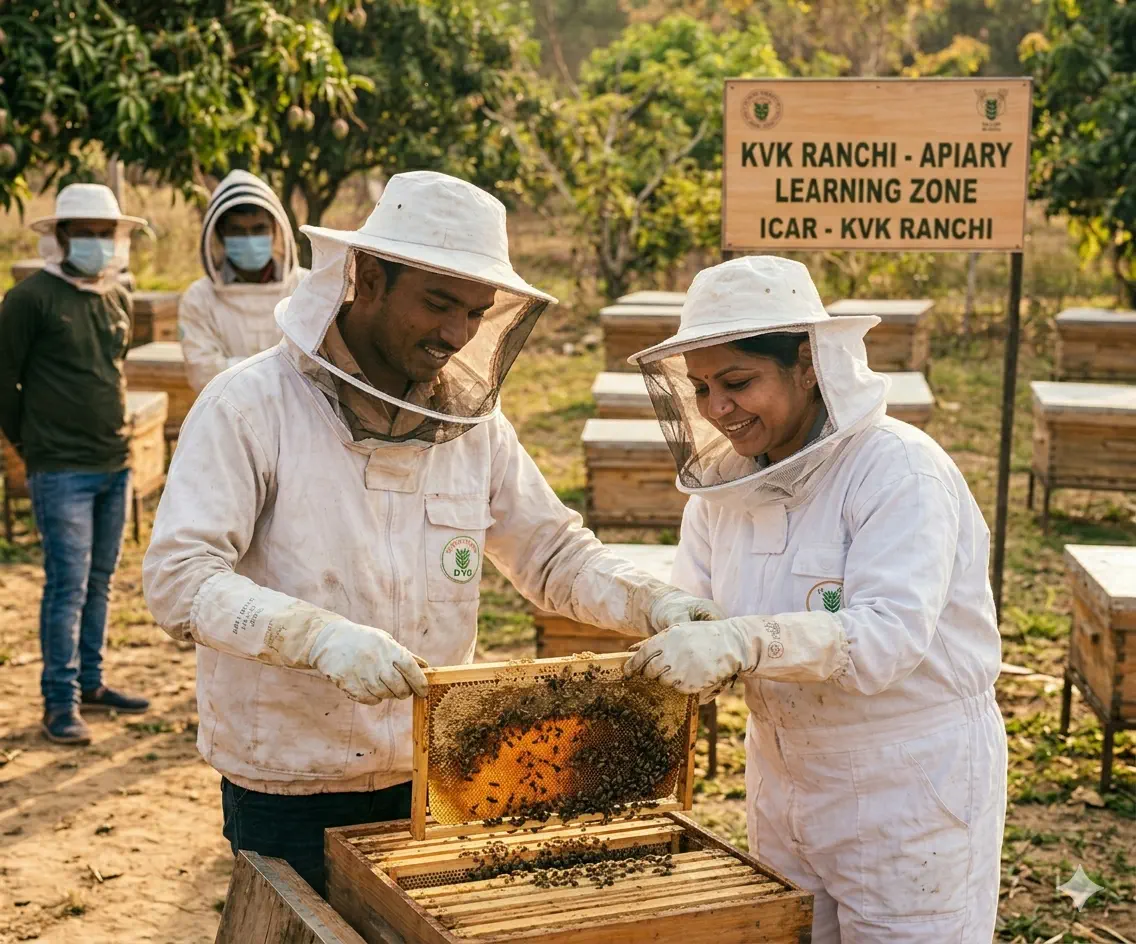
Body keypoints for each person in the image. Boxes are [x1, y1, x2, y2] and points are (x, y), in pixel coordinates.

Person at [142, 170, 720, 895]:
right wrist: (314, 637)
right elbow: (178, 579)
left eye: (476, 312)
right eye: (439, 303)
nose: (456, 332)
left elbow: (550, 552)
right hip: (291, 779)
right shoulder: (251, 405)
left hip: (440, 772)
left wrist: (653, 602)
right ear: (368, 278)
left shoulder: (473, 427)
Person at [624, 256, 1007, 943]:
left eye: (738, 382)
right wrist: (685, 656)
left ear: (808, 362)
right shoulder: (722, 495)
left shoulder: (898, 471)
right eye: (702, 387)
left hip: (909, 786)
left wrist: (745, 642)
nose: (717, 409)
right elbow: (698, 616)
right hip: (782, 774)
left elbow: (886, 640)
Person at [0, 183, 153, 746]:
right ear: (60, 236)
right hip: (59, 467)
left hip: (114, 460)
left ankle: (92, 683)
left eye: (103, 233)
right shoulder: (29, 298)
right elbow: (4, 384)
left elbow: (113, 368)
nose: (93, 241)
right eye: (82, 232)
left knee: (102, 580)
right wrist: (32, 444)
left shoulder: (117, 296)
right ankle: (58, 702)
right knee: (66, 585)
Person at [178, 170, 306, 393]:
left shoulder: (306, 287)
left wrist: (233, 369)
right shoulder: (199, 298)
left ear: (275, 230)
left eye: (258, 229)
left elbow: (318, 368)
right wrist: (284, 372)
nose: (249, 239)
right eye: (237, 231)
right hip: (228, 421)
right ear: (220, 235)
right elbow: (204, 374)